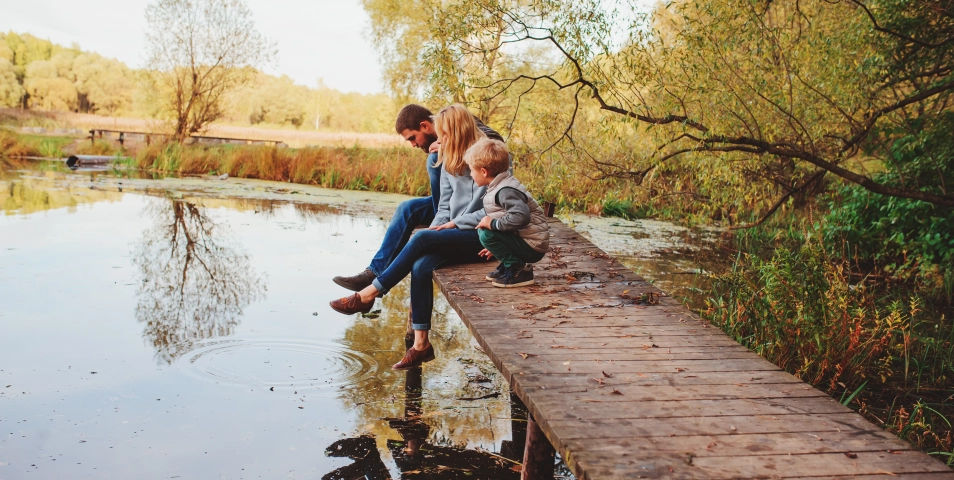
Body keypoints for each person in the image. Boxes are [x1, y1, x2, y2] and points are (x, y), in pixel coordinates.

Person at [330, 104, 495, 370]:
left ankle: (368, 295)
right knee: (420, 265)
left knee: (420, 241)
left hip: (485, 235)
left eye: (445, 134)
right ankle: (421, 346)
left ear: (458, 132)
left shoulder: (489, 158)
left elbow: (492, 210)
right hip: (456, 230)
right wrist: (438, 227)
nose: (440, 139)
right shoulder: (447, 158)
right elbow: (443, 205)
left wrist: (451, 225)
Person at [331, 104, 503, 293]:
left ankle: (374, 289)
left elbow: (495, 142)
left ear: (425, 126)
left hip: (476, 213)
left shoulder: (457, 122)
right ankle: (373, 273)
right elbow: (445, 200)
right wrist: (435, 230)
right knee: (407, 208)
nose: (413, 144)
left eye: (412, 138)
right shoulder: (442, 140)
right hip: (449, 205)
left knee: (433, 160)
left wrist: (452, 145)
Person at [468, 138, 550, 287]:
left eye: (471, 170)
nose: (471, 175)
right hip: (527, 239)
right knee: (485, 231)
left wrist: (492, 224)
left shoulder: (504, 191)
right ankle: (508, 264)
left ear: (484, 172)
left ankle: (519, 270)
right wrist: (500, 246)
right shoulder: (499, 185)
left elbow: (521, 217)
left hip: (533, 245)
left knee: (487, 232)